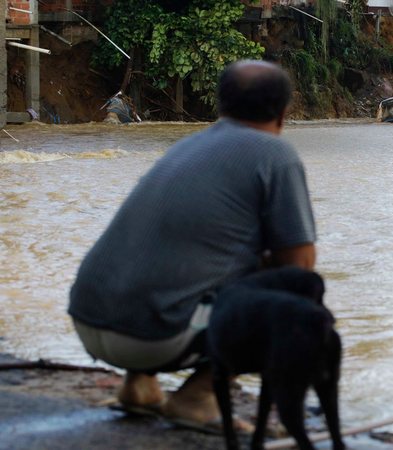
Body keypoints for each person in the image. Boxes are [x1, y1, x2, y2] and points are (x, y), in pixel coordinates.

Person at [68, 60, 316, 430]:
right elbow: (299, 266)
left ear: (221, 106)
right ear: (283, 113)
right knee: (300, 303)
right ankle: (196, 399)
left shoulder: (189, 146)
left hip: (88, 322)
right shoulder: (274, 154)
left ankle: (139, 386)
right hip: (150, 337)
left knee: (197, 268)